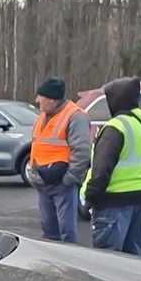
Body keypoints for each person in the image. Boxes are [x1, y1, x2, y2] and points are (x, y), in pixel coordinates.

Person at [80, 76, 141, 255]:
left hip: (114, 201)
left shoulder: (116, 128)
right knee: (133, 256)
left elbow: (100, 171)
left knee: (108, 260)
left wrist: (89, 199)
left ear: (116, 100)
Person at [25, 77, 91, 243]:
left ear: (53, 100)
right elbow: (37, 146)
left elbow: (81, 152)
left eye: (41, 96)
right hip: (42, 181)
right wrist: (33, 173)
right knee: (49, 232)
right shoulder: (42, 116)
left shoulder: (75, 116)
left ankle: (69, 265)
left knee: (67, 233)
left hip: (62, 184)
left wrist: (68, 180)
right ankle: (51, 266)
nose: (37, 100)